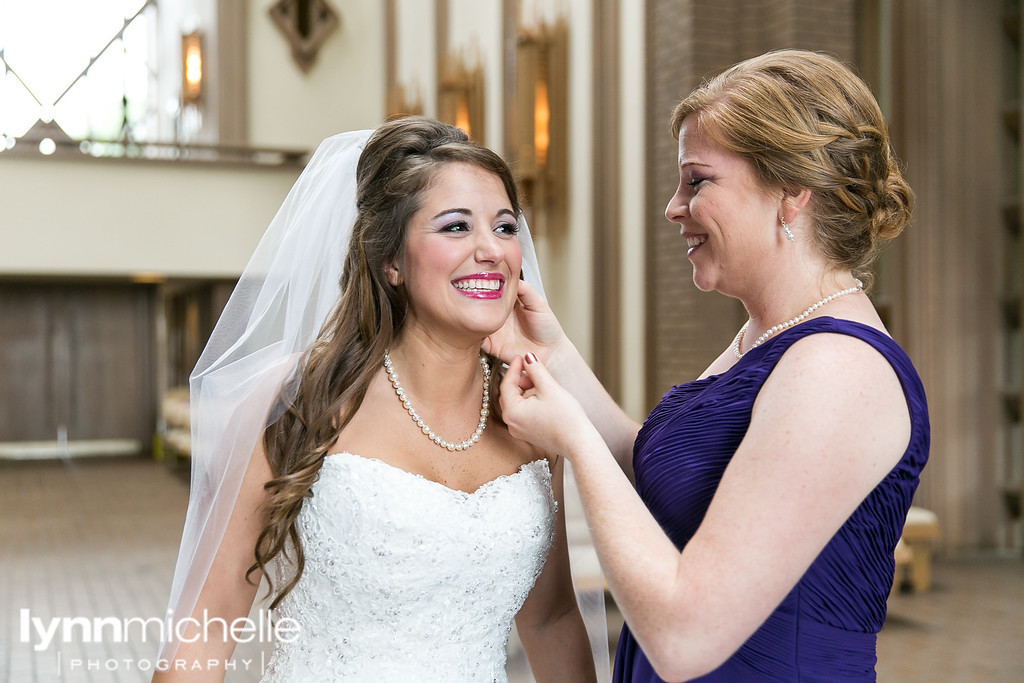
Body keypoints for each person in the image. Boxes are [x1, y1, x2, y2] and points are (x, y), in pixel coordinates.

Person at [490, 49, 929, 681]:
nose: (673, 206)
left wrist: (573, 440)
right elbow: (663, 482)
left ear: (790, 194)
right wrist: (553, 353)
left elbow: (686, 638)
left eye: (697, 181)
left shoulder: (839, 369)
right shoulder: (768, 337)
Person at [154, 116, 602, 681]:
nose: (491, 250)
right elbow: (207, 623)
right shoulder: (298, 399)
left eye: (506, 227)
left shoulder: (530, 412)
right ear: (390, 260)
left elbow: (551, 619)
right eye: (456, 227)